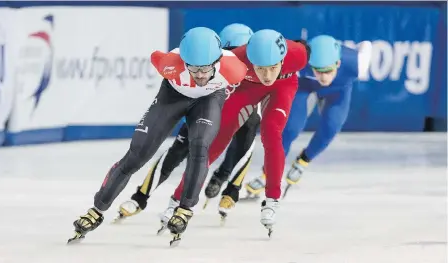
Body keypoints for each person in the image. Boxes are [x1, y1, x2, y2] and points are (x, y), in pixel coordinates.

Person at [66, 27, 247, 245]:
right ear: (183, 62)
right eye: (193, 69)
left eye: (205, 69)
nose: (199, 75)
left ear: (217, 61)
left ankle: (185, 209)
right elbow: (155, 56)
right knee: (136, 155)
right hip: (172, 97)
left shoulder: (235, 68)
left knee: (199, 147)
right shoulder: (168, 63)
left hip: (208, 100)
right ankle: (96, 210)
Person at [161, 29, 309, 241]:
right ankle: (177, 199)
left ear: (283, 59)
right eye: (260, 68)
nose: (266, 76)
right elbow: (201, 64)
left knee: (271, 132)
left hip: (282, 87)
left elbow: (305, 51)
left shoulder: (299, 55)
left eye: (272, 68)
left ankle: (272, 199)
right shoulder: (237, 57)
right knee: (216, 142)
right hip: (247, 87)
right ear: (251, 61)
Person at [240, 35, 373, 199]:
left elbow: (365, 44)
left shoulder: (358, 63)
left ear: (338, 64)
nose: (323, 77)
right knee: (289, 129)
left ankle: (304, 160)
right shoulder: (297, 62)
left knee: (331, 126)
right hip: (304, 86)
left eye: (328, 71)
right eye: (318, 71)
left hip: (339, 90)